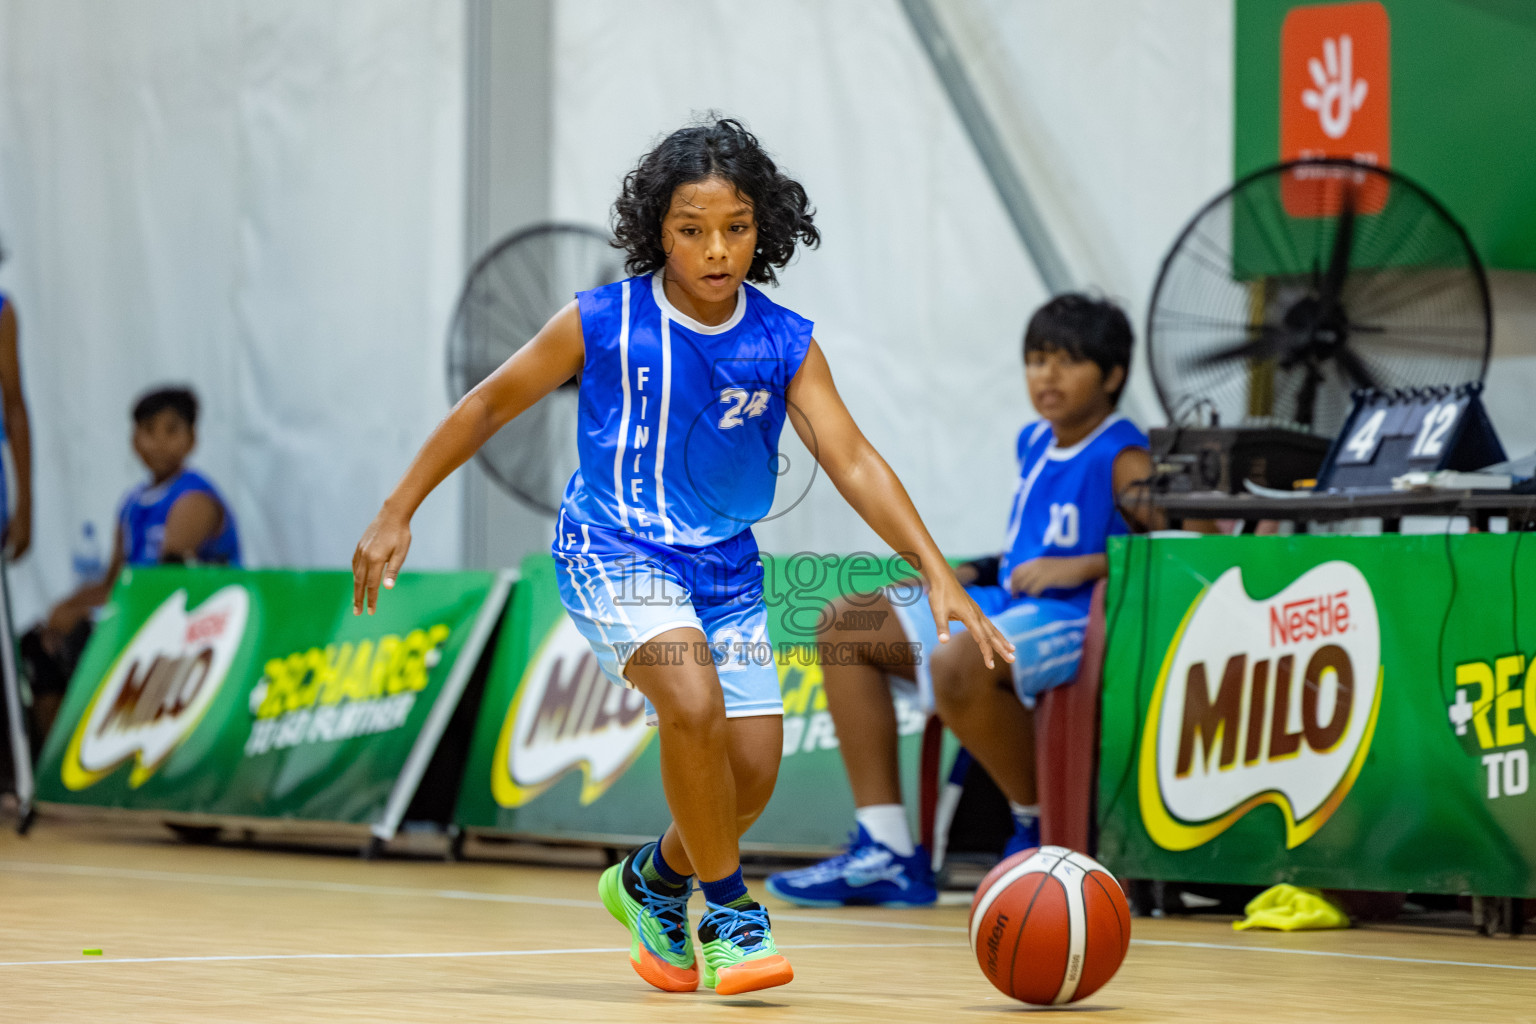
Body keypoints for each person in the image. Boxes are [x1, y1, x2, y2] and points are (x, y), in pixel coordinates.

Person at [351, 118, 1013, 997]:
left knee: (751, 775)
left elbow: (850, 458)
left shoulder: (782, 339)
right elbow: (484, 406)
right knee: (690, 696)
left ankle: (651, 884)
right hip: (614, 547)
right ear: (657, 230)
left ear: (762, 229)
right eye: (692, 228)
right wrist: (398, 507)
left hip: (726, 566)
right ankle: (734, 918)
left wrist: (933, 566)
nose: (715, 249)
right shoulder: (604, 319)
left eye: (736, 227)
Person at [766, 294, 1154, 908]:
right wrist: (970, 570)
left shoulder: (1125, 455)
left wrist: (1087, 563)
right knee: (845, 622)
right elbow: (1029, 549)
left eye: (1067, 362)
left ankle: (1033, 827)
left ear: (1111, 376)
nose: (1046, 376)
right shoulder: (1033, 441)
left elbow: (1175, 545)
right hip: (1011, 602)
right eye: (1036, 360)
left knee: (958, 659)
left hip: (1079, 618)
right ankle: (887, 848)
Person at [25, 386, 240, 737]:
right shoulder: (131, 504)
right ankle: (55, 757)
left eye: (171, 430)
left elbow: (168, 580)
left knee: (85, 635)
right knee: (39, 643)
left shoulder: (194, 498)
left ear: (191, 440)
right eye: (148, 430)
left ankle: (102, 750)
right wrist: (62, 612)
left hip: (196, 621)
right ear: (134, 439)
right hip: (141, 610)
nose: (158, 442)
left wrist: (81, 616)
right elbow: (115, 582)